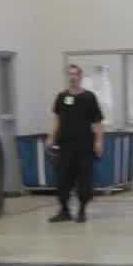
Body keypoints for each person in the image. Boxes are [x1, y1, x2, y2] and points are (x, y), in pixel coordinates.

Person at [48, 64, 104, 224]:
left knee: (84, 178)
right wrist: (51, 137)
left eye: (76, 74)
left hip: (84, 145)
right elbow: (57, 119)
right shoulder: (61, 97)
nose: (73, 77)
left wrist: (99, 141)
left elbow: (98, 122)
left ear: (80, 77)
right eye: (70, 74)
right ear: (68, 77)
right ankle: (64, 210)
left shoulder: (89, 97)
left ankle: (82, 210)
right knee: (62, 178)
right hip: (65, 145)